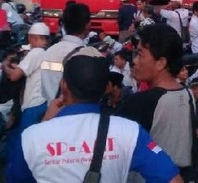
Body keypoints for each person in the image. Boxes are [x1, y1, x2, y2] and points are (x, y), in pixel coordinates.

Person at [10, 53, 183, 183]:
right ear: (104, 89)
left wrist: (45, 124)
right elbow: (173, 180)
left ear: (64, 86)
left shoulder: (30, 137)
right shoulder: (129, 132)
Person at [116, 24, 198, 181]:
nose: (134, 61)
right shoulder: (187, 93)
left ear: (161, 63)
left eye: (140, 55)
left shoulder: (140, 102)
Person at [2, 22, 50, 130]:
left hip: (33, 104)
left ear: (32, 37)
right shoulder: (46, 52)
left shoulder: (36, 52)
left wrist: (5, 65)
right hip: (42, 102)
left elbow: (14, 76)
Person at [40, 3, 91, 101]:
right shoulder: (85, 54)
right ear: (88, 25)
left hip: (51, 110)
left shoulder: (49, 51)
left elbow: (43, 88)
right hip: (73, 112)